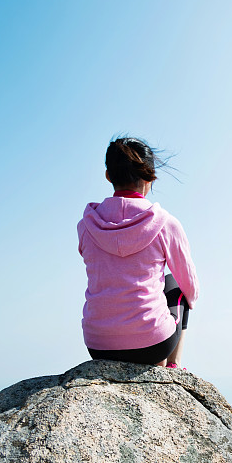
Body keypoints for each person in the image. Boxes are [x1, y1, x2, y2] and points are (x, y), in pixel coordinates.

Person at [77, 136, 199, 367]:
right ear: (150, 177)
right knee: (177, 286)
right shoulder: (166, 224)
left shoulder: (86, 226)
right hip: (152, 346)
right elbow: (191, 288)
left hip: (98, 345)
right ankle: (171, 368)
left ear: (108, 176)